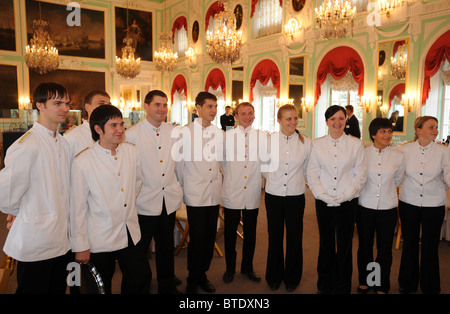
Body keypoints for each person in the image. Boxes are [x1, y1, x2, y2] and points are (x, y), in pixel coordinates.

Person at [69, 105, 151, 294]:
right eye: (113, 125)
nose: (120, 129)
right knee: (99, 285)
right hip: (100, 235)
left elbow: (137, 184)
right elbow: (78, 207)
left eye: (122, 124)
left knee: (140, 276)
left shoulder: (132, 152)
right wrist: (80, 245)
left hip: (129, 229)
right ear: (98, 129)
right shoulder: (83, 161)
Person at [0, 82, 71, 294]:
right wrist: (16, 211)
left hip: (62, 237)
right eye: (57, 103)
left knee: (57, 288)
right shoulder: (26, 145)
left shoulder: (63, 143)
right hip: (36, 238)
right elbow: (6, 194)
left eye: (67, 103)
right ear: (40, 105)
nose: (65, 108)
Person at [125, 90, 183, 294]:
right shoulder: (131, 134)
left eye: (165, 105)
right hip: (143, 200)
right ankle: (141, 286)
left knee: (166, 246)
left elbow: (178, 164)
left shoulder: (174, 132)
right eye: (157, 105)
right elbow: (128, 171)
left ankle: (166, 285)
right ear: (146, 107)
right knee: (140, 250)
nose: (162, 109)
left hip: (168, 198)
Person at [307, 105, 367, 294]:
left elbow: (360, 173)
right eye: (332, 119)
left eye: (341, 118)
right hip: (323, 201)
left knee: (345, 244)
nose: (337, 122)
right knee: (325, 243)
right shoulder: (317, 144)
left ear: (346, 121)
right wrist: (323, 195)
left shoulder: (356, 144)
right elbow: (312, 173)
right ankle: (324, 284)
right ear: (326, 122)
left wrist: (345, 195)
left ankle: (342, 286)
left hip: (348, 202)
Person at [174, 91, 223, 294]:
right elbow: (178, 166)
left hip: (213, 193)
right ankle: (192, 279)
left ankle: (203, 274)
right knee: (197, 238)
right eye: (209, 106)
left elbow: (220, 162)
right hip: (195, 194)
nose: (213, 110)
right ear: (198, 108)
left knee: (210, 236)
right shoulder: (184, 132)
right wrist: (187, 187)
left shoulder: (220, 133)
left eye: (215, 106)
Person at [396, 116, 450, 294]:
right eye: (431, 127)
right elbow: (397, 175)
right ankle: (407, 283)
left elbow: (448, 177)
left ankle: (430, 286)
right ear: (418, 130)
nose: (435, 130)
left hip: (434, 204)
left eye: (436, 127)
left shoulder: (443, 151)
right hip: (409, 202)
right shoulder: (404, 150)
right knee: (409, 244)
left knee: (430, 246)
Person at [263, 104, 311, 292]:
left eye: (295, 118)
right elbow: (264, 166)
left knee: (294, 237)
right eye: (288, 118)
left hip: (296, 195)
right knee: (274, 237)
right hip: (273, 195)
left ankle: (292, 277)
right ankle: (273, 276)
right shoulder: (269, 141)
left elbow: (307, 169)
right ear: (279, 120)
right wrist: (275, 180)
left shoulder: (306, 142)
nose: (292, 122)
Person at [356, 118, 405, 294]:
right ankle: (367, 280)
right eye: (383, 131)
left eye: (390, 131)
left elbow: (398, 179)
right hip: (365, 205)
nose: (387, 135)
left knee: (384, 249)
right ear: (373, 134)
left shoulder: (398, 156)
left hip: (388, 207)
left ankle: (381, 284)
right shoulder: (363, 153)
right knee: (365, 247)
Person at [221, 102, 265, 284]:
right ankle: (229, 268)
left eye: (250, 113)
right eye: (243, 113)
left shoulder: (262, 137)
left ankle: (248, 267)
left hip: (252, 191)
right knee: (230, 233)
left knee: (251, 233)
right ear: (236, 116)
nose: (247, 116)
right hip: (232, 190)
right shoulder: (227, 137)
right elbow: (221, 163)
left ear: (254, 115)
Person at [63, 90, 111, 161]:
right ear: (87, 107)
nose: (106, 108)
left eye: (109, 105)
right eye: (101, 104)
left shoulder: (112, 134)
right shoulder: (72, 137)